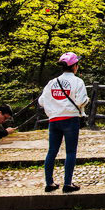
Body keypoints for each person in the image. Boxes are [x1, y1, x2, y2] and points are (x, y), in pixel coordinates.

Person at [39, 52, 89, 193]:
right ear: (74, 66)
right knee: (71, 152)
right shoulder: (78, 82)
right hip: (70, 120)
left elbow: (41, 101)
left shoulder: (52, 82)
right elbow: (81, 101)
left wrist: (54, 107)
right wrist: (86, 101)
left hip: (54, 120)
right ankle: (67, 183)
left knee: (52, 151)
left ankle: (49, 183)